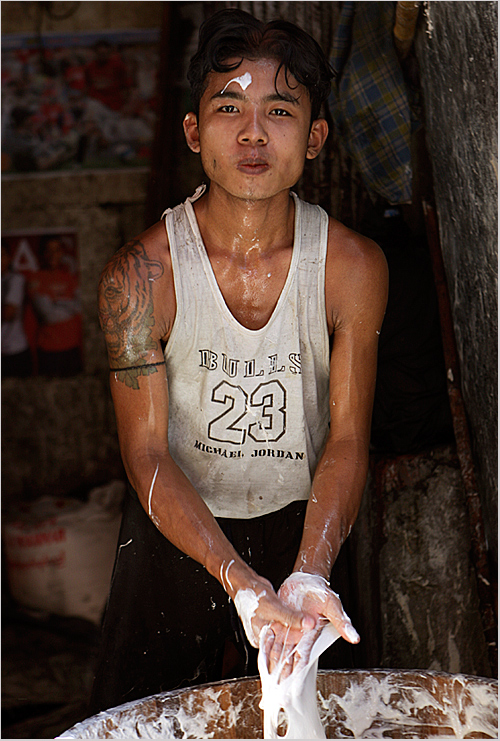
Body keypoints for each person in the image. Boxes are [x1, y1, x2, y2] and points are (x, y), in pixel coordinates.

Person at [90, 8, 388, 714]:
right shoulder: (141, 277)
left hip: (305, 526)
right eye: (230, 107)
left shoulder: (350, 266)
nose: (253, 132)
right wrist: (237, 577)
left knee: (327, 716)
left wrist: (309, 571)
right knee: (137, 721)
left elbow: (347, 440)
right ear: (194, 131)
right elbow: (147, 453)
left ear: (316, 137)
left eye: (279, 110)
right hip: (177, 533)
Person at [28, 236, 82, 376]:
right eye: (48, 250)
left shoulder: (70, 277)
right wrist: (70, 305)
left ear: (62, 253)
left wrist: (57, 303)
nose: (53, 255)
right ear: (42, 254)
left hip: (72, 347)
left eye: (57, 250)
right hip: (48, 349)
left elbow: (81, 307)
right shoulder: (35, 279)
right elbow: (49, 315)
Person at [1, 241, 32, 377]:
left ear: (9, 258)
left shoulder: (15, 280)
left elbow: (8, 313)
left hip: (15, 352)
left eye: (1, 256)